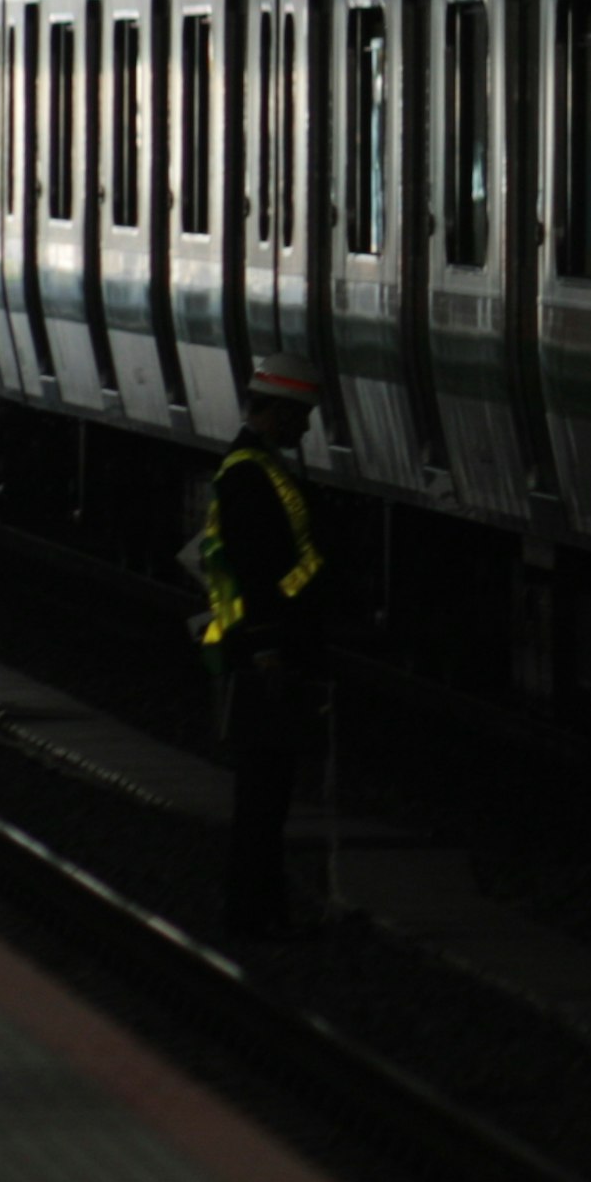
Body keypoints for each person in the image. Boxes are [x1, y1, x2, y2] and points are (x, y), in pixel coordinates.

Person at [197, 355, 335, 938]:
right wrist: (267, 647)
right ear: (273, 411)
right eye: (299, 416)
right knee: (262, 794)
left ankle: (261, 907)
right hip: (262, 656)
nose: (305, 428)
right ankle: (250, 912)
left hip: (263, 649)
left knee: (268, 792)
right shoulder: (249, 475)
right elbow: (257, 570)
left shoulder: (256, 468)